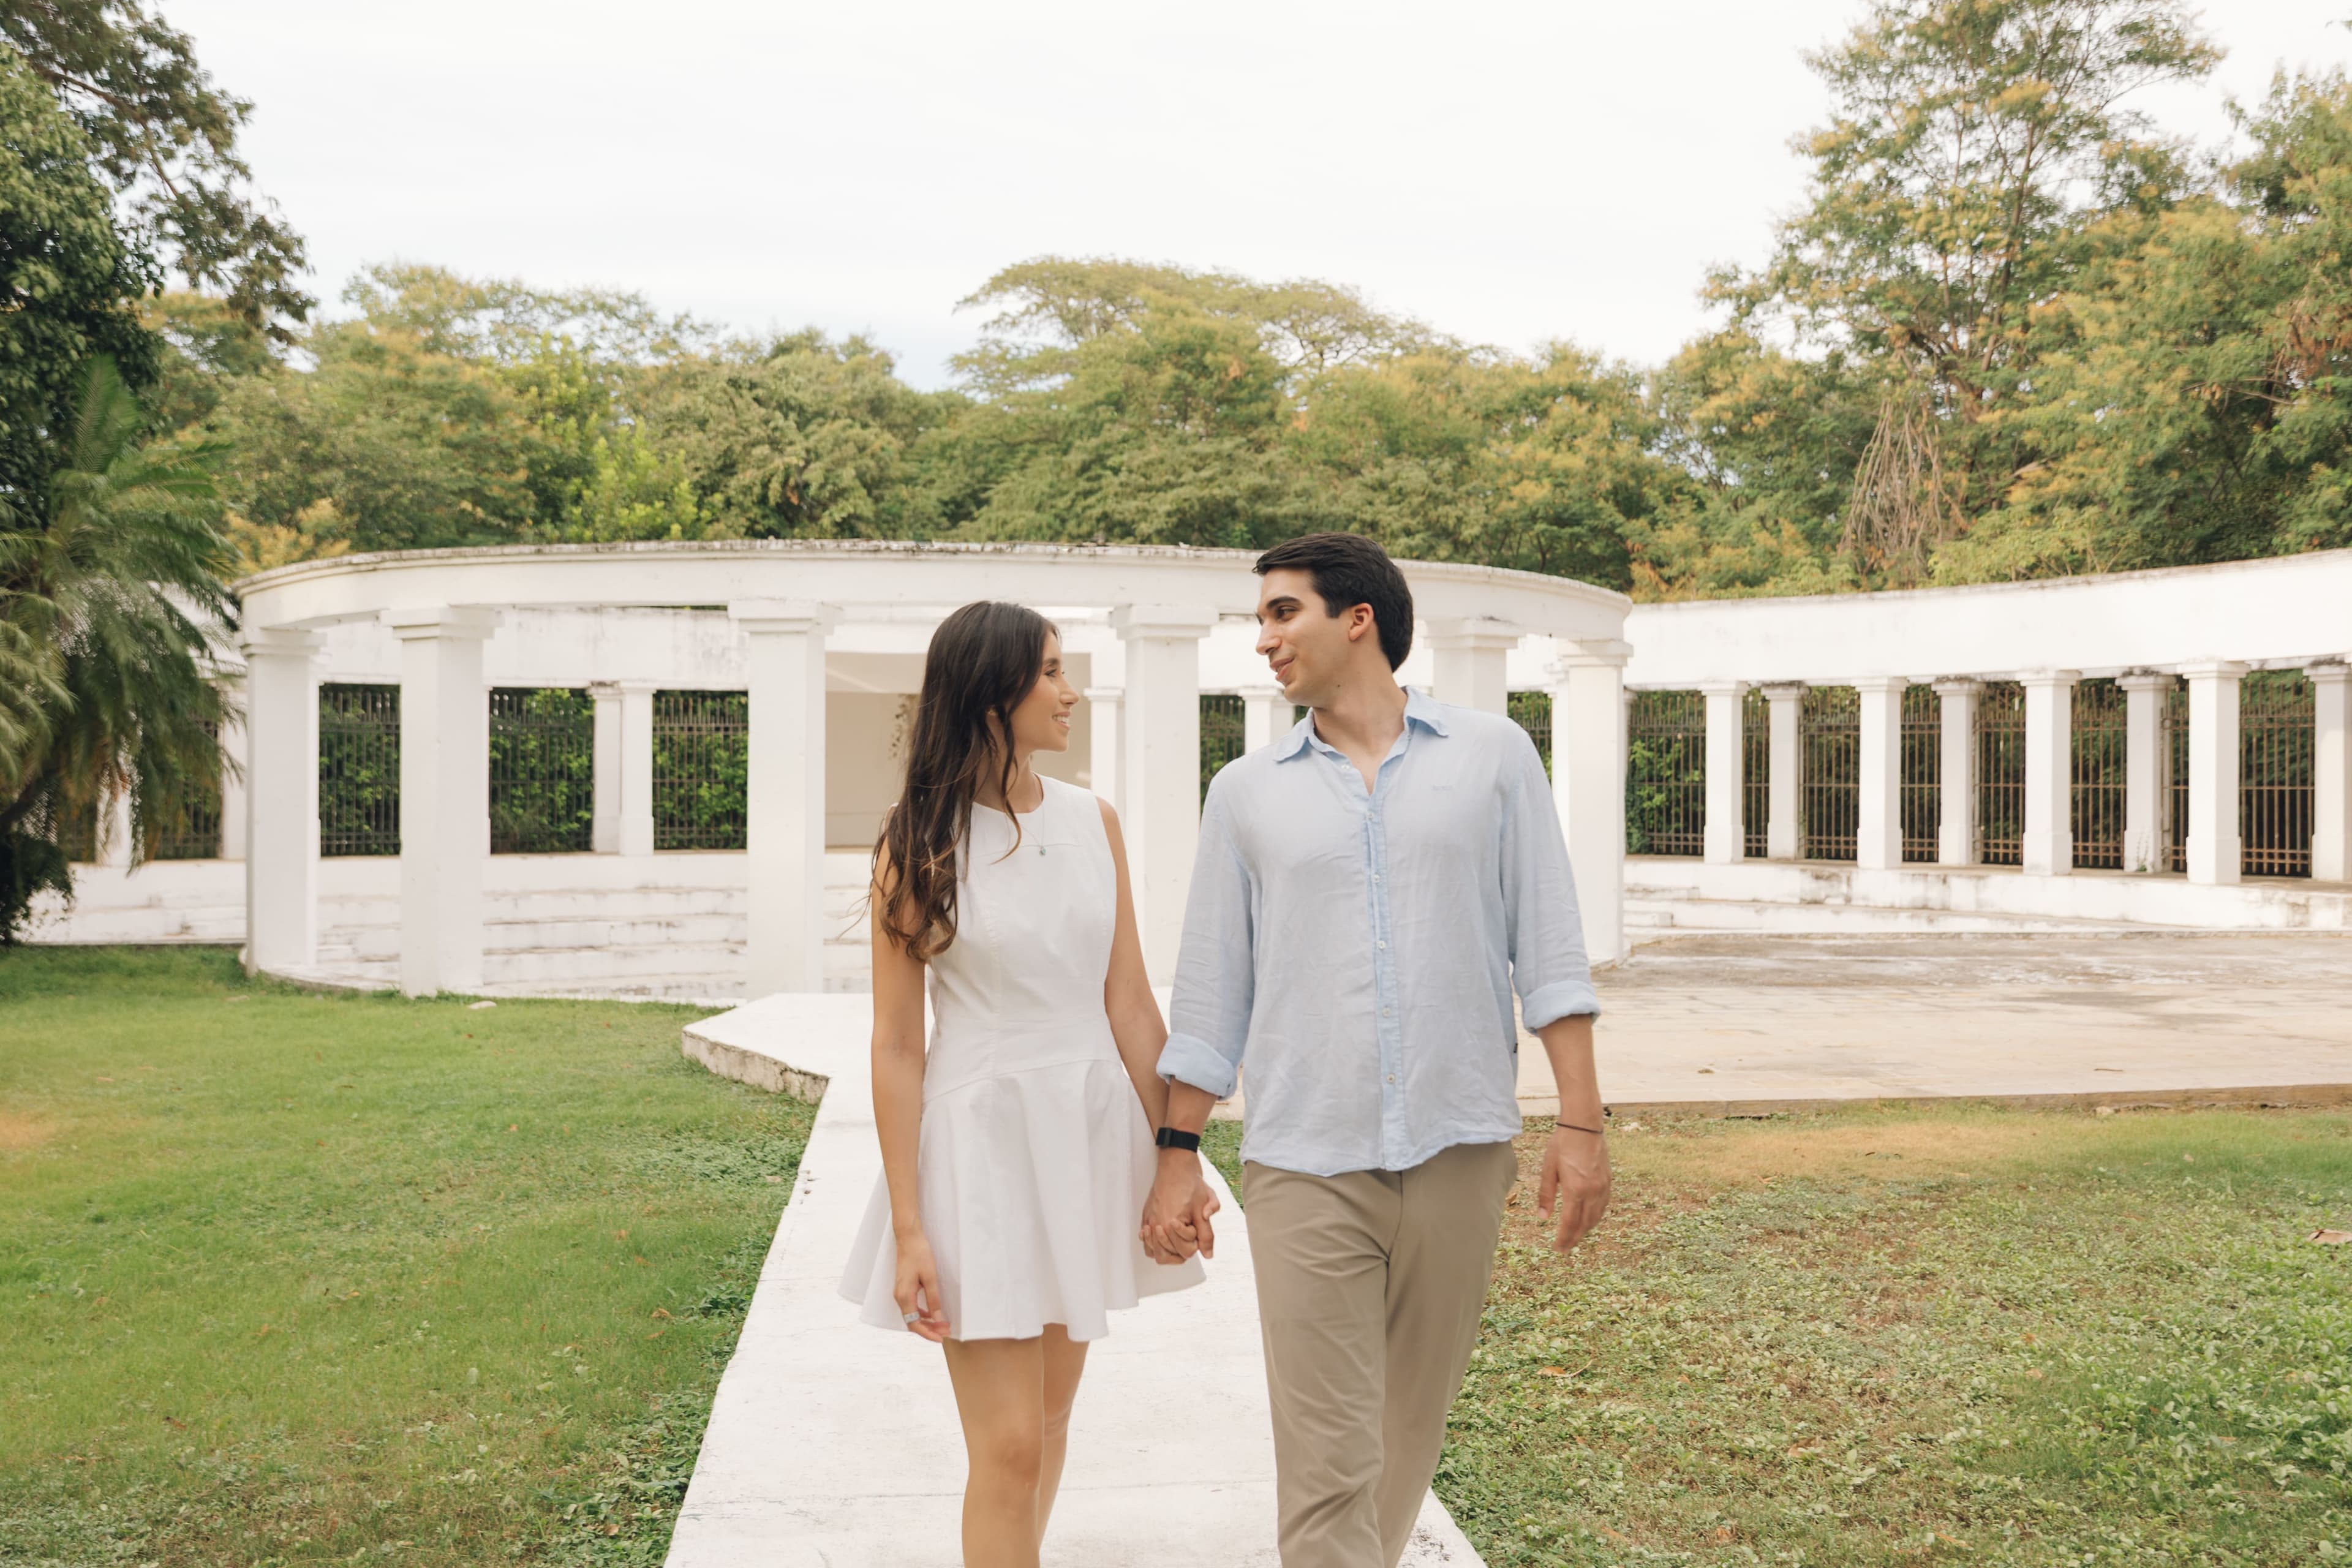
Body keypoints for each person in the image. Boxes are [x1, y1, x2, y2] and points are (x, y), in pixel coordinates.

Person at [1142, 532, 1612, 1568]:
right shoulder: (1245, 792)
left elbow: (1550, 949)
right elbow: (1214, 989)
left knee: (1403, 1445)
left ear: (1359, 619)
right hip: (1306, 1161)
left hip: (1460, 1148)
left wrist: (1582, 1125)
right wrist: (1178, 1153)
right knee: (1328, 1464)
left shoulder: (1495, 757)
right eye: (1261, 619)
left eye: (1283, 613)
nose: (1264, 639)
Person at [838, 600, 1213, 1568]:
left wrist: (1179, 1158)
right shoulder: (917, 842)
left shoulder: (1095, 823)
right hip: (980, 1149)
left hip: (1084, 1138)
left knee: (1046, 1423)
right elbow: (897, 1046)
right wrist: (910, 1227)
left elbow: (1131, 1005)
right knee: (1005, 1447)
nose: (1069, 691)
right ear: (990, 693)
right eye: (1049, 672)